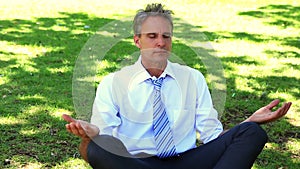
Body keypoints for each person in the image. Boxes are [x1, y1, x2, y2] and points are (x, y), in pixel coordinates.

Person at [62, 3, 292, 169]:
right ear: (137, 40)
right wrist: (92, 134)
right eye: (152, 36)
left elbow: (213, 136)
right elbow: (107, 141)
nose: (160, 42)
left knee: (252, 133)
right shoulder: (113, 83)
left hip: (187, 161)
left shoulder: (193, 78)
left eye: (166, 36)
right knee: (96, 148)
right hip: (137, 163)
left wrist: (248, 122)